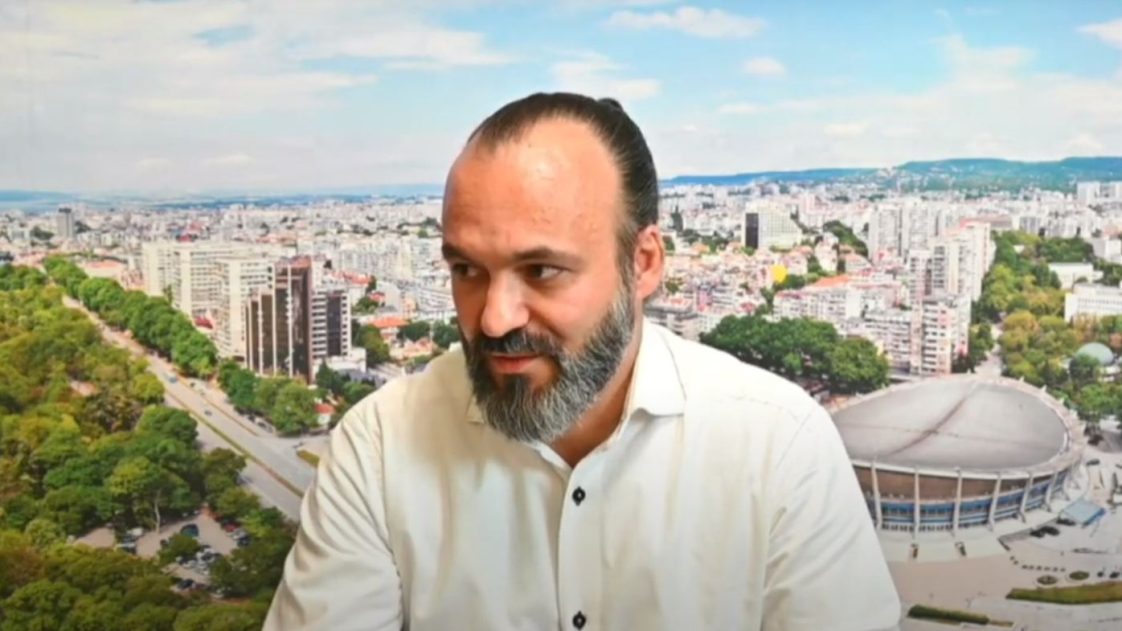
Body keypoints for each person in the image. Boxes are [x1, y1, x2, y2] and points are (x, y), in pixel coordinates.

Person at [264, 92, 900, 630]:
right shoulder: (379, 447)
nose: (494, 319)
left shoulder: (777, 446)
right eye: (467, 270)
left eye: (542, 270)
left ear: (642, 263)